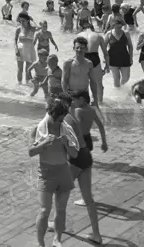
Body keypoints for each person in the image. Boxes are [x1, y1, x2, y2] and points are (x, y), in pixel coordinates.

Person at [29, 96, 78, 247]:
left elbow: (74, 154)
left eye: (63, 119)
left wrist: (67, 144)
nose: (61, 122)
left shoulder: (65, 128)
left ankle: (57, 239)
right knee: (44, 210)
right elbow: (31, 151)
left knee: (61, 209)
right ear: (51, 115)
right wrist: (45, 143)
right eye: (59, 119)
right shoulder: (38, 129)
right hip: (46, 172)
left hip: (63, 170)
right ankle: (40, 243)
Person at [65, 90, 107, 245]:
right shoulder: (91, 110)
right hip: (87, 149)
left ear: (82, 99)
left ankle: (58, 224)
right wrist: (104, 142)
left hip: (77, 150)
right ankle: (96, 234)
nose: (74, 102)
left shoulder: (77, 111)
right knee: (89, 199)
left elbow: (72, 132)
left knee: (62, 192)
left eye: (75, 99)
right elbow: (101, 126)